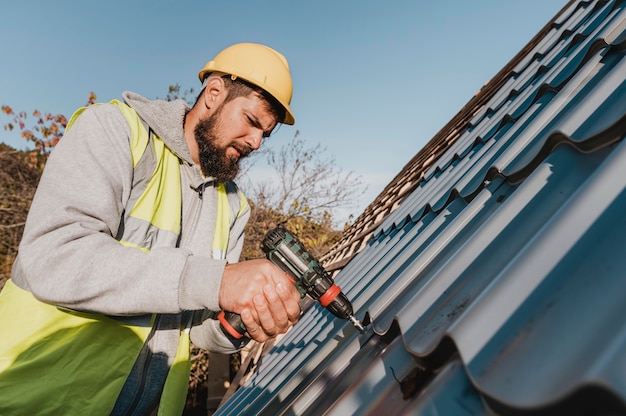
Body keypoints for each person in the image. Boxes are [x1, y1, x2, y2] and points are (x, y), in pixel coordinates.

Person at [0, 42, 301, 415]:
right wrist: (218, 281)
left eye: (265, 134)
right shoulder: (115, 131)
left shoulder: (233, 205)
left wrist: (241, 320)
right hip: (33, 401)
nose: (256, 142)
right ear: (214, 94)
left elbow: (196, 329)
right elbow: (54, 258)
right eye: (252, 121)